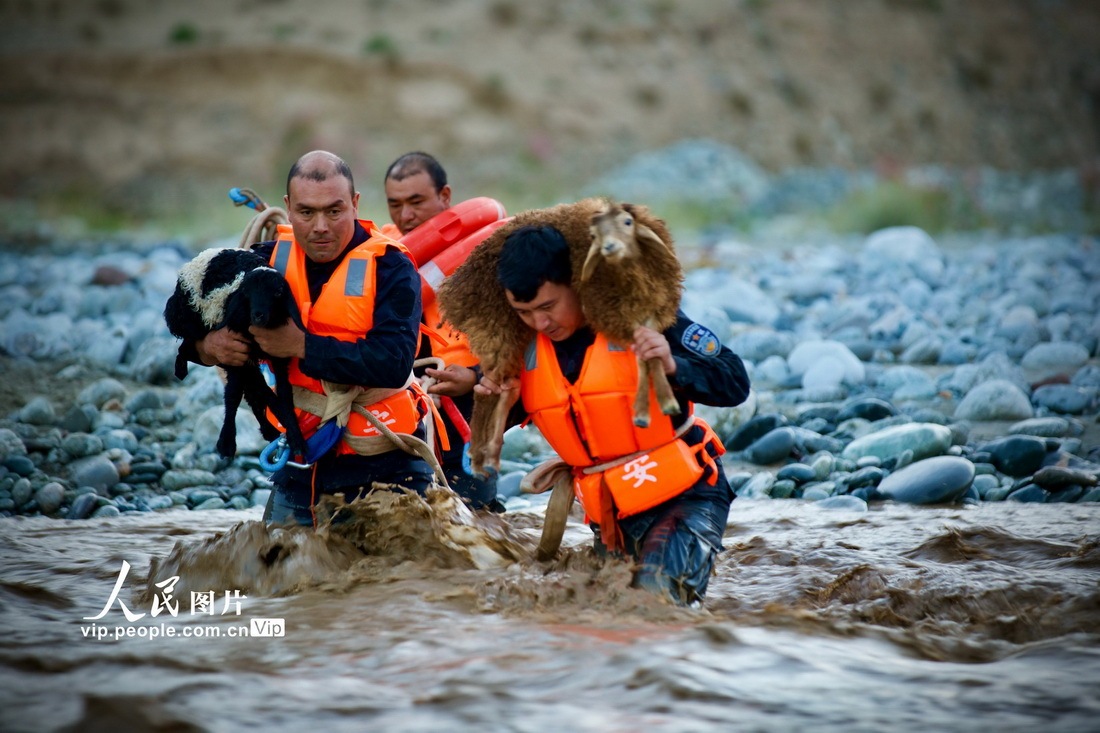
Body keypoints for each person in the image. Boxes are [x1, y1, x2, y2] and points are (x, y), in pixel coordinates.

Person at [476, 225, 751, 605]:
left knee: (655, 607)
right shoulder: (524, 350)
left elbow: (735, 382)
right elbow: (494, 430)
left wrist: (673, 366)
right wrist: (479, 393)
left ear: (576, 284)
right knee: (603, 618)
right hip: (611, 518)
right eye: (524, 312)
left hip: (687, 496)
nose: (540, 323)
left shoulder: (642, 317)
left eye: (547, 306)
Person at [182, 150, 435, 526]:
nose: (320, 226)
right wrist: (206, 347)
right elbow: (194, 327)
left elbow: (394, 363)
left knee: (391, 583)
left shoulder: (392, 266)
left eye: (334, 211)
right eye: (306, 212)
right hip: (302, 460)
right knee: (277, 576)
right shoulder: (264, 261)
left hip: (385, 463)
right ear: (288, 207)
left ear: (354, 204)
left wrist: (301, 346)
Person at [382, 151, 502, 511]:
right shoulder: (379, 250)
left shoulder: (488, 261)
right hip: (397, 413)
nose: (406, 216)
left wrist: (474, 376)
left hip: (467, 412)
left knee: (476, 521)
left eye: (416, 202)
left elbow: (526, 346)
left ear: (445, 197)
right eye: (395, 204)